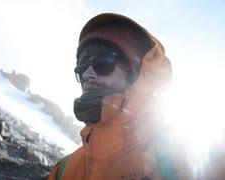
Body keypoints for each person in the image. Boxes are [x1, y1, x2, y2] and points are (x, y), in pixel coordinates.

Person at [48, 13, 192, 180]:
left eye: (102, 63)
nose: (87, 74)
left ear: (137, 75)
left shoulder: (181, 160)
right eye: (82, 66)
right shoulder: (63, 170)